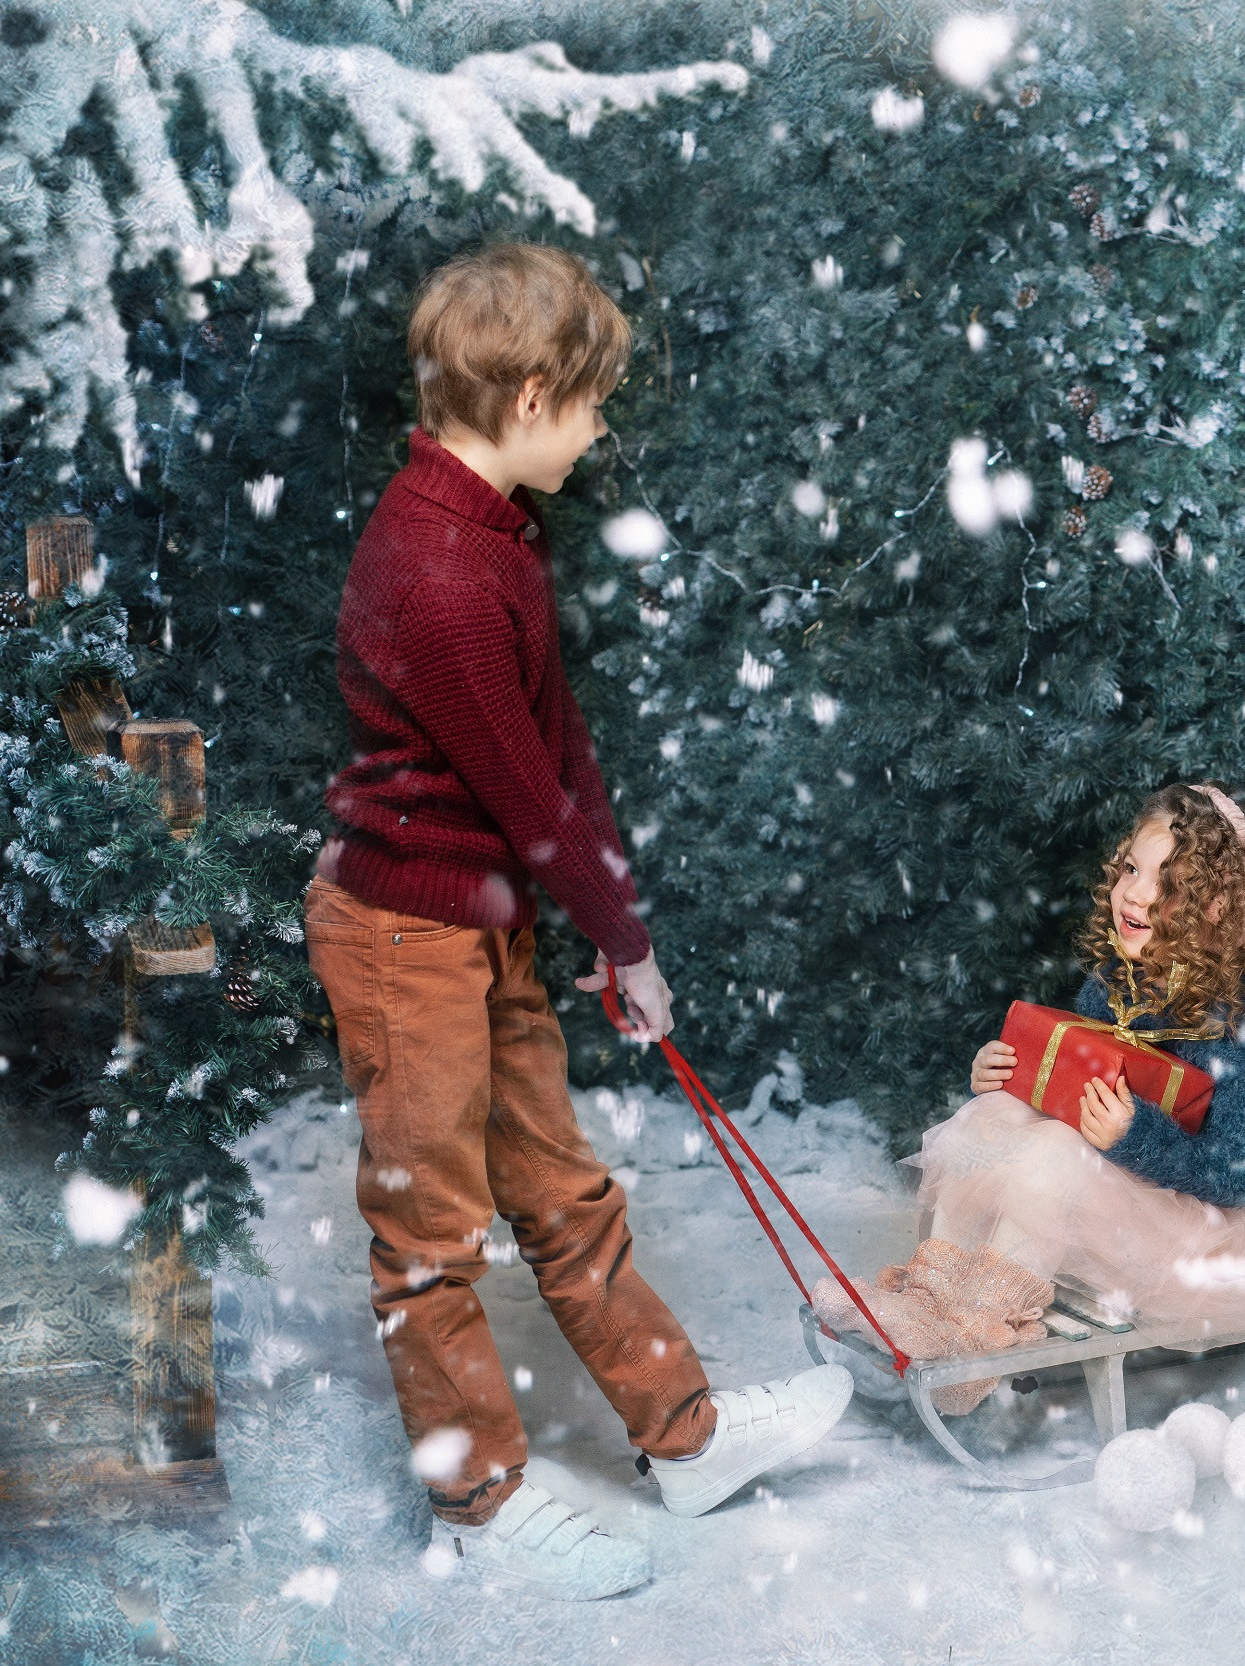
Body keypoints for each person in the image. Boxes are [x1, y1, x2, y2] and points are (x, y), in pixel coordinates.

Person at [304, 242, 850, 1601]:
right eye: (593, 402)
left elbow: (559, 758)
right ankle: (478, 1497)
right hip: (402, 936)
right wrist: (621, 935)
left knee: (561, 1191)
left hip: (483, 922)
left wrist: (622, 932)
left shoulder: (492, 535)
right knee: (431, 1237)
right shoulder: (439, 578)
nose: (602, 428)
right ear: (533, 392)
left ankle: (688, 1436)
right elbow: (529, 803)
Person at [917, 782, 1245, 1355]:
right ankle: (932, 1293)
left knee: (1056, 1155)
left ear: (1218, 909)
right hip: (1113, 1195)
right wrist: (1010, 1074)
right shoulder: (1115, 985)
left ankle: (988, 1324)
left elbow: (1241, 1175)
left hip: (1202, 1224)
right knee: (993, 1112)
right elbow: (1069, 1090)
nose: (1135, 896)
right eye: (1131, 870)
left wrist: (1134, 1134)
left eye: (1169, 886)